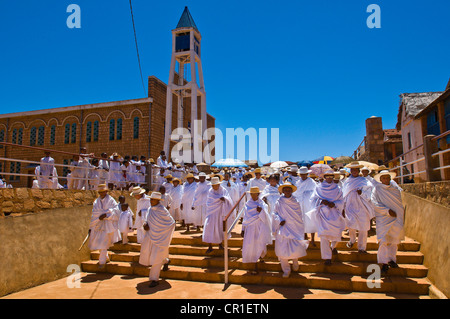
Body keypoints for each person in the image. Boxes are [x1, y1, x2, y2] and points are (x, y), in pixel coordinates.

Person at [308, 170, 346, 265]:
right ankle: (327, 257)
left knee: (336, 234)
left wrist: (334, 204)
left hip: (334, 214)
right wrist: (321, 202)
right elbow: (313, 200)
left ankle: (333, 247)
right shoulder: (318, 188)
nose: (329, 178)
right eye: (327, 176)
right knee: (324, 236)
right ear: (324, 177)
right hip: (323, 214)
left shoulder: (337, 188)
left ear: (333, 177)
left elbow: (341, 201)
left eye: (331, 176)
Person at [371, 170, 405, 275]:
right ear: (380, 179)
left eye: (387, 177)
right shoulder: (376, 189)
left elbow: (399, 204)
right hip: (383, 218)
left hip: (396, 218)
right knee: (383, 240)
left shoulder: (395, 190)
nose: (385, 179)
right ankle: (384, 262)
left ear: (390, 179)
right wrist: (387, 211)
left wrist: (397, 213)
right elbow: (374, 203)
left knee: (394, 240)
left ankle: (392, 260)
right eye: (383, 178)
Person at [139, 191, 176, 288]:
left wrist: (162, 231)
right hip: (150, 236)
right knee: (155, 254)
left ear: (158, 200)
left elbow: (171, 222)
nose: (151, 201)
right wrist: (145, 225)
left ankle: (154, 279)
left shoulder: (162, 210)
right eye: (150, 199)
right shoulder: (150, 209)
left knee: (156, 257)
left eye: (153, 199)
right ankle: (166, 261)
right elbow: (147, 220)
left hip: (160, 237)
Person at [273, 182, 309, 278]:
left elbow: (299, 216)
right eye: (285, 190)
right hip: (283, 228)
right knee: (282, 248)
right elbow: (275, 213)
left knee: (295, 246)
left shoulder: (296, 201)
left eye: (289, 190)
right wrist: (279, 220)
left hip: (294, 228)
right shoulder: (279, 201)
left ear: (291, 191)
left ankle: (295, 262)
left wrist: (300, 228)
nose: (287, 191)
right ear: (283, 191)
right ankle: (286, 269)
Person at [341, 162, 375, 253]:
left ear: (358, 171)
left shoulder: (364, 181)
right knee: (351, 224)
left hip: (362, 206)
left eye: (356, 170)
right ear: (351, 171)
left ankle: (362, 248)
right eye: (353, 170)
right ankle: (352, 240)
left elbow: (370, 194)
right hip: (350, 206)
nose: (354, 171)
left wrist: (362, 193)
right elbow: (344, 195)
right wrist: (343, 208)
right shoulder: (347, 181)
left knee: (363, 228)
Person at [241, 187, 273, 274]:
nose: (252, 195)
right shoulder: (248, 204)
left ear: (258, 194)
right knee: (252, 245)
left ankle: (261, 257)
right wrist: (243, 228)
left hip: (260, 227)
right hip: (250, 228)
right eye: (251, 194)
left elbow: (266, 216)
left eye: (254, 193)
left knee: (260, 243)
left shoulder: (263, 204)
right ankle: (254, 264)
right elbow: (245, 217)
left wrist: (261, 211)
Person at [88, 184, 118, 269]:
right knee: (99, 243)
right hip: (97, 224)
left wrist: (106, 214)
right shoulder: (96, 202)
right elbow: (94, 214)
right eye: (100, 192)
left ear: (106, 191)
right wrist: (92, 226)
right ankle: (106, 257)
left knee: (104, 243)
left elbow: (116, 210)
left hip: (107, 224)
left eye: (103, 192)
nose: (102, 194)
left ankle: (102, 262)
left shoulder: (111, 200)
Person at [202, 177, 233, 254]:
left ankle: (220, 244)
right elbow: (209, 202)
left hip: (220, 212)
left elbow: (229, 199)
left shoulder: (223, 190)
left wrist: (224, 199)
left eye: (215, 185)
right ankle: (210, 246)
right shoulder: (210, 191)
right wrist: (218, 200)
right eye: (213, 185)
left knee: (219, 227)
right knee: (209, 227)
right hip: (211, 213)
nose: (214, 187)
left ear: (218, 184)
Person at [293, 166, 318, 245]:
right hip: (300, 203)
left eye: (304, 174)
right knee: (302, 220)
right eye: (302, 174)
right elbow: (295, 193)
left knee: (311, 220)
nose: (303, 176)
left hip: (309, 203)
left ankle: (313, 239)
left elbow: (316, 191)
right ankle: (304, 236)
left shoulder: (311, 182)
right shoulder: (298, 182)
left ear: (307, 174)